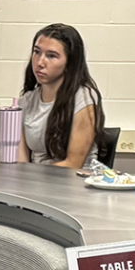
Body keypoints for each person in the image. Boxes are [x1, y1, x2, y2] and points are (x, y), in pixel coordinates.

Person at [17, 24, 104, 168]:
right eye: (37, 52)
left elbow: (73, 164)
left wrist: (31, 180)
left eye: (51, 56)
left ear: (69, 63)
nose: (39, 62)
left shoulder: (84, 98)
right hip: (34, 183)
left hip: (72, 184)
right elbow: (20, 164)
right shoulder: (26, 101)